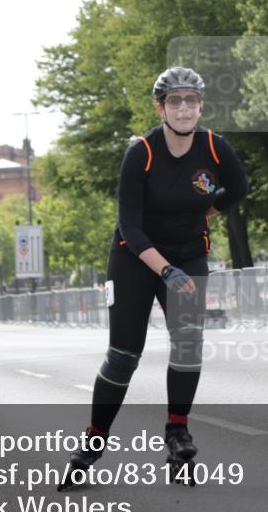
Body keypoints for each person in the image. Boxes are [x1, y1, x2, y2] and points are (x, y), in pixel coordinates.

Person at [59, 66, 248, 489]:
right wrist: (165, 269)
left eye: (192, 100)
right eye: (175, 101)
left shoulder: (215, 149)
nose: (184, 108)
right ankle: (93, 441)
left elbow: (237, 189)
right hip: (135, 257)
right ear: (160, 107)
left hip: (188, 253)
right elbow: (130, 226)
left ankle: (177, 430)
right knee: (125, 354)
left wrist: (205, 212)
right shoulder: (140, 153)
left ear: (201, 106)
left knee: (187, 343)